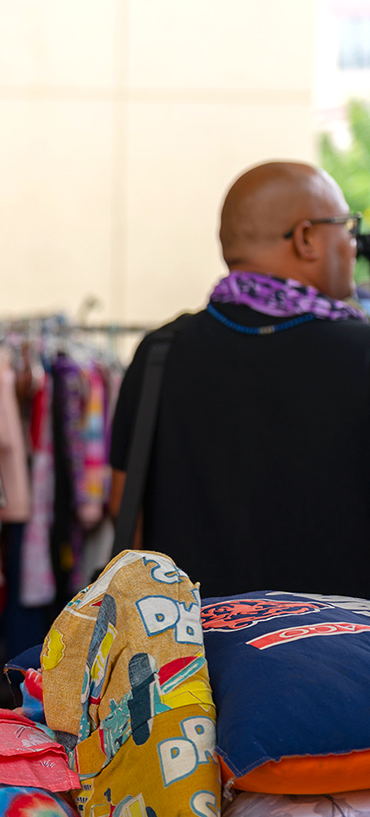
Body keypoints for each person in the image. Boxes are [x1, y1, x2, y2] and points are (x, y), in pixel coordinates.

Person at [110, 160, 370, 598]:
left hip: (192, 656)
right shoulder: (363, 352)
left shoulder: (160, 352)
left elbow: (124, 511)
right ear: (306, 238)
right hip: (336, 653)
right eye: (345, 227)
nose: (353, 245)